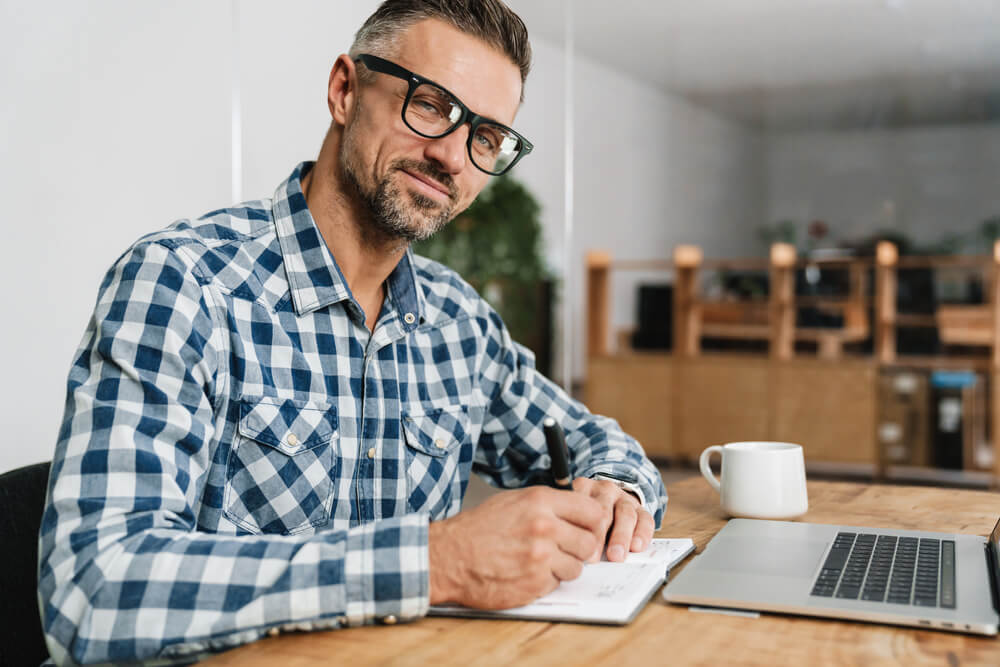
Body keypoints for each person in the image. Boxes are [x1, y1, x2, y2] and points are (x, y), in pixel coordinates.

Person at [38, 1, 667, 664]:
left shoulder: (462, 324)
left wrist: (619, 489)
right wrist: (433, 560)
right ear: (344, 90)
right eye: (430, 105)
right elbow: (93, 590)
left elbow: (599, 442)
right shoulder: (181, 284)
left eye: (485, 138)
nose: (452, 155)